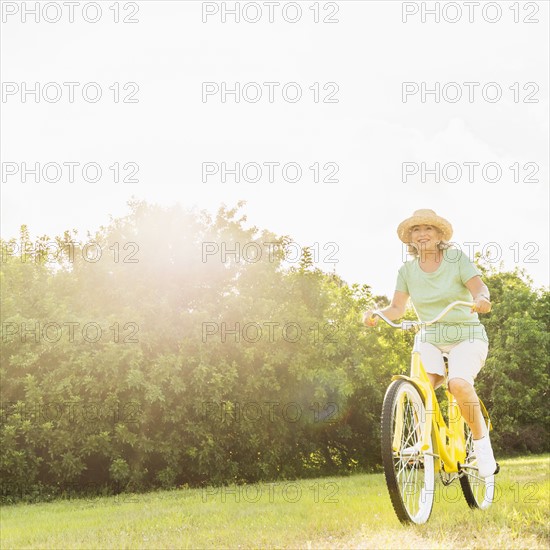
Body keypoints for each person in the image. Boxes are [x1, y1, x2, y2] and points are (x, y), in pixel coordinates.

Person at [363, 209, 497, 478]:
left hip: (466, 336)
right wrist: (376, 314)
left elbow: (479, 289)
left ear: (439, 236)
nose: (422, 234)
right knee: (419, 386)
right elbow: (397, 309)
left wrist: (481, 299)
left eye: (428, 229)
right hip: (430, 337)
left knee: (458, 384)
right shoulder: (406, 271)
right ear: (410, 239)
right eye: (416, 230)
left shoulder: (456, 259)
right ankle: (422, 438)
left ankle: (482, 448)